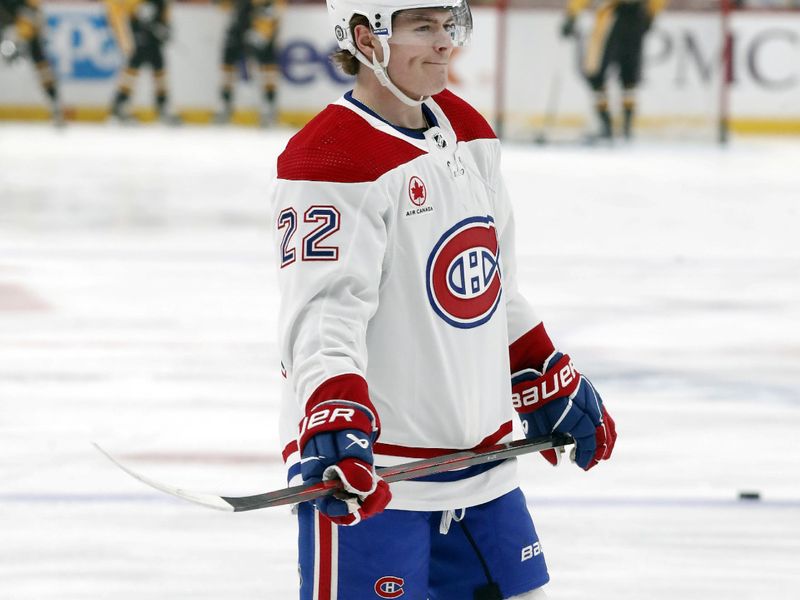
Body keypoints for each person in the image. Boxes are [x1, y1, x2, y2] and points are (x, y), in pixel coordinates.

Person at [268, 0, 617, 598]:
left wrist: (539, 369)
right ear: (365, 38)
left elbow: (493, 282)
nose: (445, 43)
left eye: (448, 25)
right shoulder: (331, 156)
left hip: (483, 471)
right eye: (423, 27)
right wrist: (331, 413)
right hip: (376, 480)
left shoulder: (467, 128)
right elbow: (324, 316)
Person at [561, 0, 667, 139]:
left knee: (597, 72)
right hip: (637, 17)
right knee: (629, 76)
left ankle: (608, 126)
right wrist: (651, 14)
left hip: (613, 17)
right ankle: (625, 128)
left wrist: (572, 15)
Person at [215, 0, 284, 126]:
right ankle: (225, 104)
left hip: (262, 25)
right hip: (239, 27)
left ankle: (269, 107)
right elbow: (223, 6)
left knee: (267, 68)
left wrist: (263, 32)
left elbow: (275, 11)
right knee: (228, 66)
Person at [106, 0, 176, 123]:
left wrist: (165, 30)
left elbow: (166, 19)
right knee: (131, 72)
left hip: (155, 44)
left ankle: (163, 105)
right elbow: (123, 12)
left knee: (160, 73)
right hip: (139, 41)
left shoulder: (162, 3)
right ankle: (119, 105)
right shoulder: (134, 2)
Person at [0, 0, 62, 124]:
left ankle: (55, 104)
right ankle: (55, 104)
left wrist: (21, 33)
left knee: (41, 64)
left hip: (25, 19)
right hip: (9, 18)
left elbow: (32, 9)